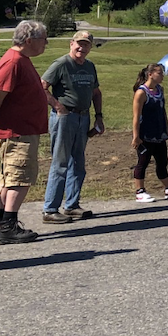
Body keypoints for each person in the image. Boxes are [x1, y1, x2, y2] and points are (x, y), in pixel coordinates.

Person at [0, 20, 51, 245]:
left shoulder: (22, 60)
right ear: (29, 40)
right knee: (18, 179)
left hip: (21, 130)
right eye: (44, 39)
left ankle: (3, 224)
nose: (46, 43)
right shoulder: (13, 62)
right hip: (16, 133)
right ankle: (7, 226)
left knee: (11, 178)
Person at [40, 30, 103, 224]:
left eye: (86, 45)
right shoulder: (61, 64)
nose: (82, 48)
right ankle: (50, 208)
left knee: (78, 163)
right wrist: (58, 106)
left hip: (83, 116)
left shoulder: (90, 66)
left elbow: (96, 92)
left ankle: (72, 205)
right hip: (65, 117)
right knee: (60, 163)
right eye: (79, 44)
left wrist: (98, 117)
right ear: (71, 43)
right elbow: (41, 87)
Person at [132, 64, 168, 203]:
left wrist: (166, 129)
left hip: (159, 132)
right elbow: (136, 117)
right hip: (146, 134)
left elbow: (162, 111)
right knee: (143, 161)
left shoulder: (160, 90)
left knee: (162, 161)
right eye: (159, 73)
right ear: (150, 74)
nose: (162, 76)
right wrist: (136, 137)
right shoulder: (141, 93)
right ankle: (140, 191)